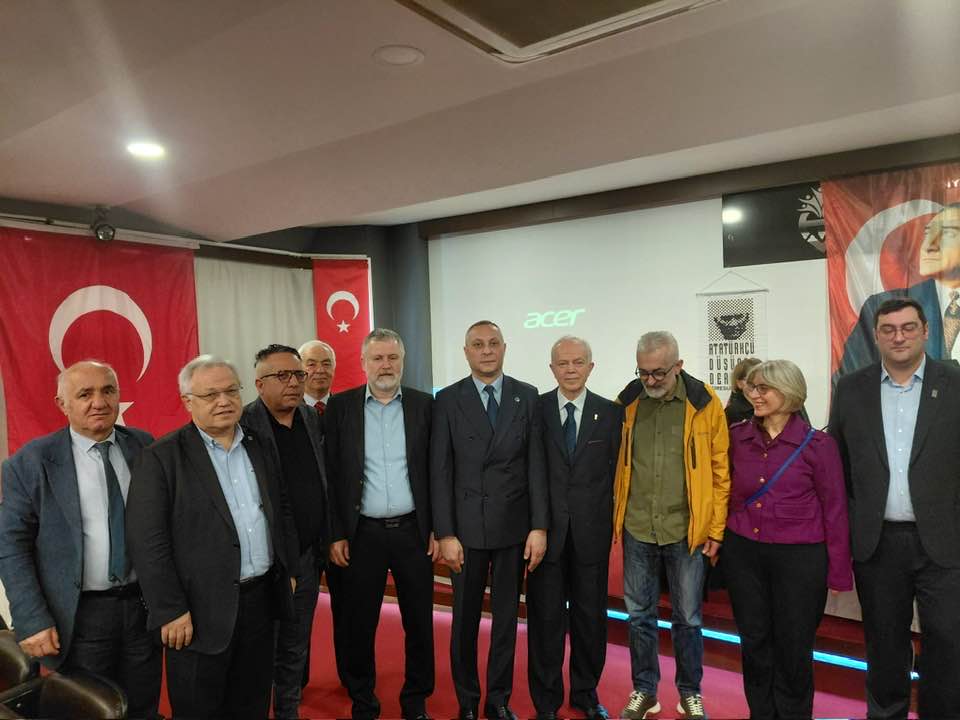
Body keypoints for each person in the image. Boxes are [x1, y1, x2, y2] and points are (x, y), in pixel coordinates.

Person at [126, 355, 298, 719]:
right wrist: (170, 609)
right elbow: (148, 543)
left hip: (260, 600)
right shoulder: (161, 458)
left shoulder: (259, 444)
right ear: (188, 402)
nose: (224, 401)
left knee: (252, 704)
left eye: (231, 391)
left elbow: (281, 510)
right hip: (197, 613)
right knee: (200, 709)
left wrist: (288, 568)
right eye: (210, 395)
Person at [0, 361, 161, 717]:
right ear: (63, 404)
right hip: (79, 617)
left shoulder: (144, 446)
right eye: (85, 394)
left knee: (143, 707)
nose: (98, 402)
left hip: (143, 610)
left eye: (108, 391)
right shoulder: (30, 462)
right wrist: (31, 618)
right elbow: (11, 547)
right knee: (85, 710)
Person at [829, 297, 960, 719]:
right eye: (888, 329)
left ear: (925, 331)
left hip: (946, 543)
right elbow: (839, 463)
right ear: (876, 335)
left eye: (908, 328)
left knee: (949, 642)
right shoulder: (851, 389)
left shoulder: (955, 383)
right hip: (878, 543)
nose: (898, 337)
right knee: (884, 644)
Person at [431, 320, 548, 720]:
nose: (486, 350)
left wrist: (539, 526)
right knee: (464, 621)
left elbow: (536, 466)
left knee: (506, 622)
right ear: (466, 352)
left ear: (504, 348)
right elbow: (440, 471)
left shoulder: (526, 395)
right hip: (465, 531)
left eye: (493, 343)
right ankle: (467, 701)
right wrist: (445, 532)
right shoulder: (448, 399)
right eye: (478, 344)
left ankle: (498, 700)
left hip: (513, 528)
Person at [724, 359, 852, 719]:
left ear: (789, 392)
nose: (754, 394)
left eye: (764, 388)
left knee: (794, 645)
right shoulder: (737, 437)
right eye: (752, 387)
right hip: (744, 555)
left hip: (800, 560)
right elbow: (725, 493)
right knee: (754, 641)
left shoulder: (819, 446)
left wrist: (838, 572)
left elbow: (835, 509)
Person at [614, 331, 729, 720]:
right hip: (638, 527)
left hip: (686, 530)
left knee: (689, 619)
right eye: (643, 372)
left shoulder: (704, 402)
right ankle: (644, 690)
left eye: (659, 372)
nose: (650, 380)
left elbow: (720, 469)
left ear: (678, 366)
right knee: (639, 617)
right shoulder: (628, 401)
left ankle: (690, 692)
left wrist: (715, 529)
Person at [325, 328, 437, 720]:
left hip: (414, 533)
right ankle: (363, 700)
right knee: (359, 623)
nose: (385, 365)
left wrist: (438, 527)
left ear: (403, 361)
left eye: (392, 357)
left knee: (419, 622)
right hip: (362, 535)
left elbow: (437, 470)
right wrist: (336, 532)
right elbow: (331, 475)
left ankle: (416, 700)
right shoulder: (340, 408)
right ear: (363, 363)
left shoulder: (425, 405)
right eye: (377, 358)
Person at [527, 336, 622, 720]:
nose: (570, 370)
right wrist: (535, 525)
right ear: (552, 368)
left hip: (591, 536)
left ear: (590, 366)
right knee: (545, 622)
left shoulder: (611, 413)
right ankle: (546, 701)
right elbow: (529, 471)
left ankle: (586, 694)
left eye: (578, 362)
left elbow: (616, 474)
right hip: (545, 536)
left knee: (590, 621)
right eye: (563, 363)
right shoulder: (535, 409)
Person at [241, 344, 328, 719]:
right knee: (263, 648)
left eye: (297, 375)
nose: (293, 383)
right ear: (260, 384)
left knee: (296, 644)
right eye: (282, 376)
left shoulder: (309, 416)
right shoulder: (243, 426)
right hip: (267, 561)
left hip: (308, 554)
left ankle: (288, 710)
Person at [837, 203, 960, 376]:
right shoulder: (880, 307)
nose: (929, 245)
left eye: (947, 234)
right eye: (928, 234)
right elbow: (854, 383)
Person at [301, 339, 336, 413]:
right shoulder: (289, 409)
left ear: (333, 368)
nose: (320, 370)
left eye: (326, 364)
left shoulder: (347, 408)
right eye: (311, 364)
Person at [724, 357, 762, 426]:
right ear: (739, 383)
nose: (758, 383)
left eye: (762, 378)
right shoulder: (733, 411)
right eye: (750, 379)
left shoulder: (771, 405)